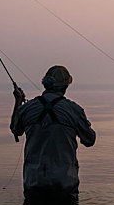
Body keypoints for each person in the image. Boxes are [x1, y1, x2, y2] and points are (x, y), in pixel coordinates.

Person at [10, 65, 96, 198]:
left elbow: (15, 129)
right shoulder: (74, 110)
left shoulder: (27, 108)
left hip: (34, 183)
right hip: (64, 184)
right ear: (66, 86)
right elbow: (90, 140)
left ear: (45, 83)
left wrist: (18, 101)